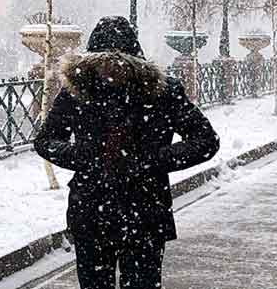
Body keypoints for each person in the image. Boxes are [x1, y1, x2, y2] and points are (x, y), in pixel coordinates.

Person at [34, 16, 220, 289]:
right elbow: (47, 140)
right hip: (132, 209)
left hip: (108, 209)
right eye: (102, 63)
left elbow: (205, 140)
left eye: (114, 62)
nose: (110, 70)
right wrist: (90, 157)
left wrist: (147, 160)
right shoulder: (83, 91)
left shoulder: (156, 91)